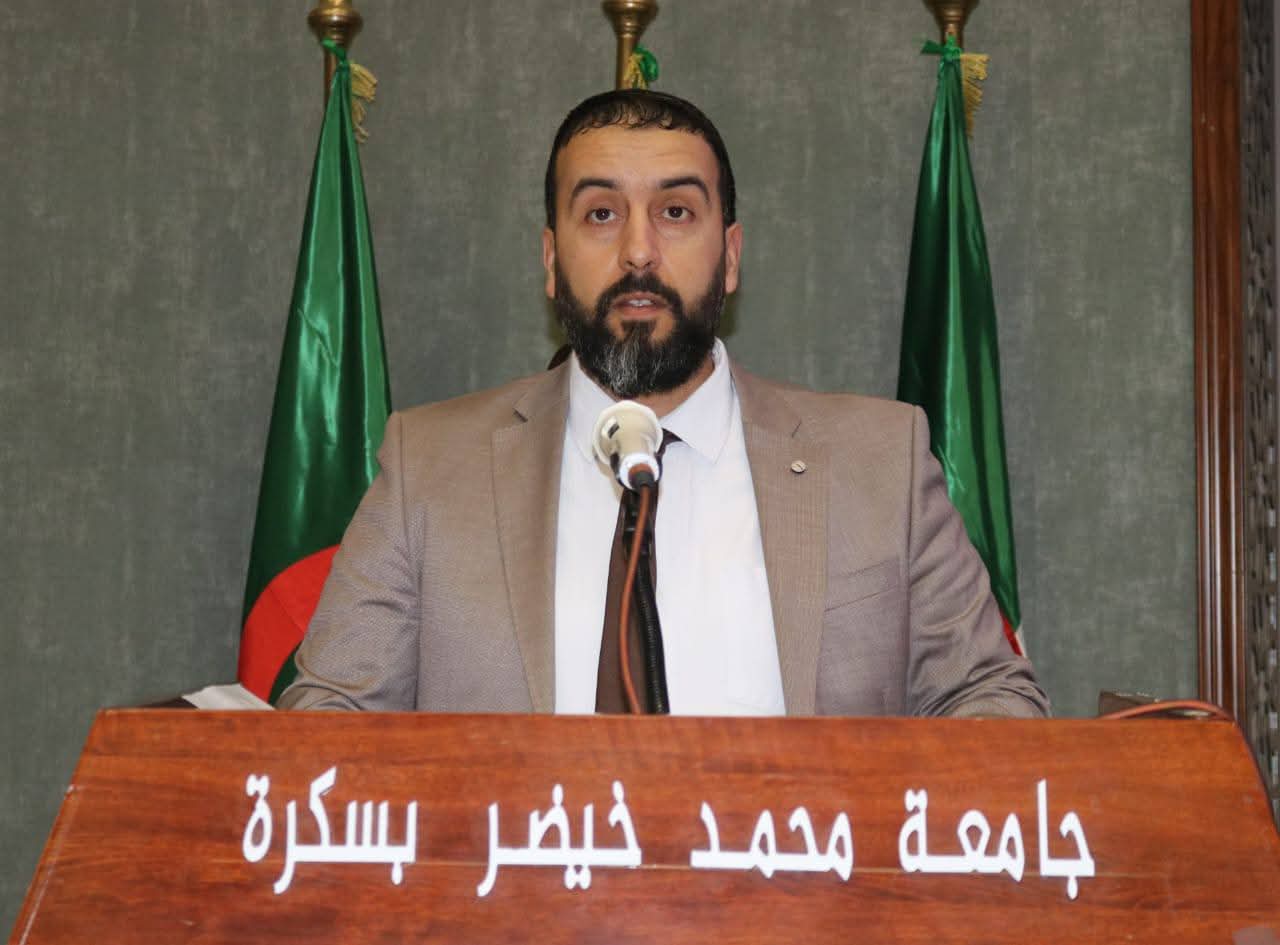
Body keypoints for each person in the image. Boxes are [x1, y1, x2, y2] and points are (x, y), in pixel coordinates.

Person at [277, 89, 1049, 718]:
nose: (639, 251)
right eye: (601, 214)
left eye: (676, 211)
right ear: (551, 260)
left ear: (731, 256)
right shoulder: (429, 468)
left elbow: (989, 697)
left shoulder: (880, 463)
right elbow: (327, 717)